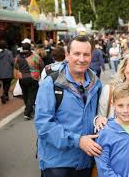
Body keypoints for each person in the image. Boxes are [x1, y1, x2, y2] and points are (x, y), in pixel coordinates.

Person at [35, 35, 103, 177]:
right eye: (77, 54)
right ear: (67, 55)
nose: (82, 59)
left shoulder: (96, 84)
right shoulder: (51, 84)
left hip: (86, 161)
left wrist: (100, 119)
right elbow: (43, 125)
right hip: (57, 163)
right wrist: (78, 141)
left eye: (86, 54)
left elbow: (98, 114)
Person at [95, 83, 129, 177]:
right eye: (120, 105)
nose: (125, 110)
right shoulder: (106, 131)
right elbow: (103, 166)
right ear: (113, 104)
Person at [94, 52, 129, 130]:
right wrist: (98, 119)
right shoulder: (110, 90)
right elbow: (100, 117)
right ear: (124, 68)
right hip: (115, 138)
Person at [14, 39, 44, 120]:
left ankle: (28, 109)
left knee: (25, 94)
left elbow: (16, 67)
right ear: (30, 48)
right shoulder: (35, 56)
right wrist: (40, 75)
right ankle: (27, 112)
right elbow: (42, 65)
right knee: (32, 96)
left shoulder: (17, 57)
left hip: (22, 78)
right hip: (33, 78)